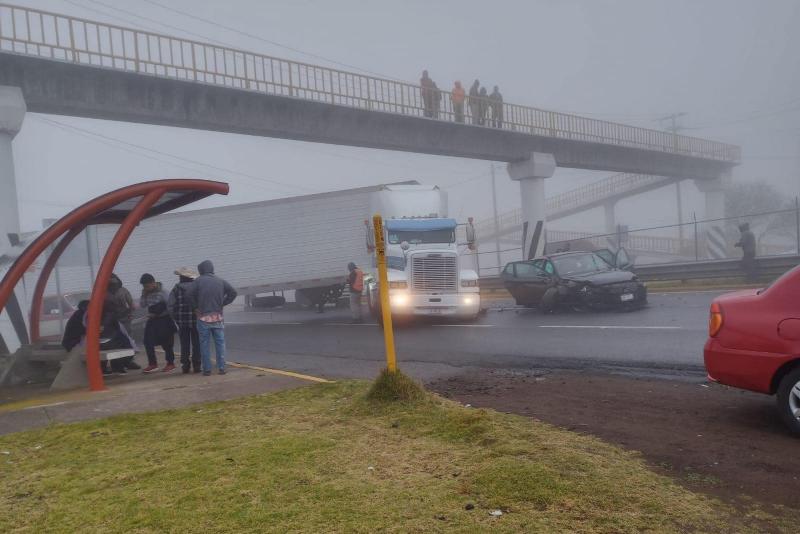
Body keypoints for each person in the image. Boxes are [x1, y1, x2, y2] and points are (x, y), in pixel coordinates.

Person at [185, 260, 237, 376]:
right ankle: (222, 367)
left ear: (201, 270)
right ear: (212, 268)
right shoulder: (220, 280)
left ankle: (207, 369)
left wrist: (195, 307)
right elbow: (233, 292)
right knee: (220, 343)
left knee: (204, 344)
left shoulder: (198, 281)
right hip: (218, 316)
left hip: (203, 317)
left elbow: (188, 294)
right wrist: (223, 303)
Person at [139, 273, 177, 373]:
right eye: (144, 286)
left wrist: (160, 312)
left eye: (147, 286)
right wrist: (144, 295)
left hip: (163, 319)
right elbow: (143, 305)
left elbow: (170, 305)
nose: (146, 288)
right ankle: (152, 363)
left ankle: (170, 363)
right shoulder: (146, 293)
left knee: (167, 342)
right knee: (147, 341)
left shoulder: (163, 292)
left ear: (153, 283)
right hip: (152, 320)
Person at [168, 267, 201, 374]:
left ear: (181, 278)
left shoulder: (176, 289)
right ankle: (197, 365)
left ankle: (185, 366)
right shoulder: (197, 287)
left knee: (184, 344)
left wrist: (175, 317)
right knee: (197, 343)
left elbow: (170, 306)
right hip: (196, 320)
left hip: (182, 321)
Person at [105, 273, 140, 370]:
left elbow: (131, 305)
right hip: (113, 321)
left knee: (127, 340)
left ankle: (128, 361)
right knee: (116, 342)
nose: (113, 285)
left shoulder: (122, 291)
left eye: (114, 283)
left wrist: (130, 313)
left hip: (123, 319)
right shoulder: (106, 293)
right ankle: (118, 363)